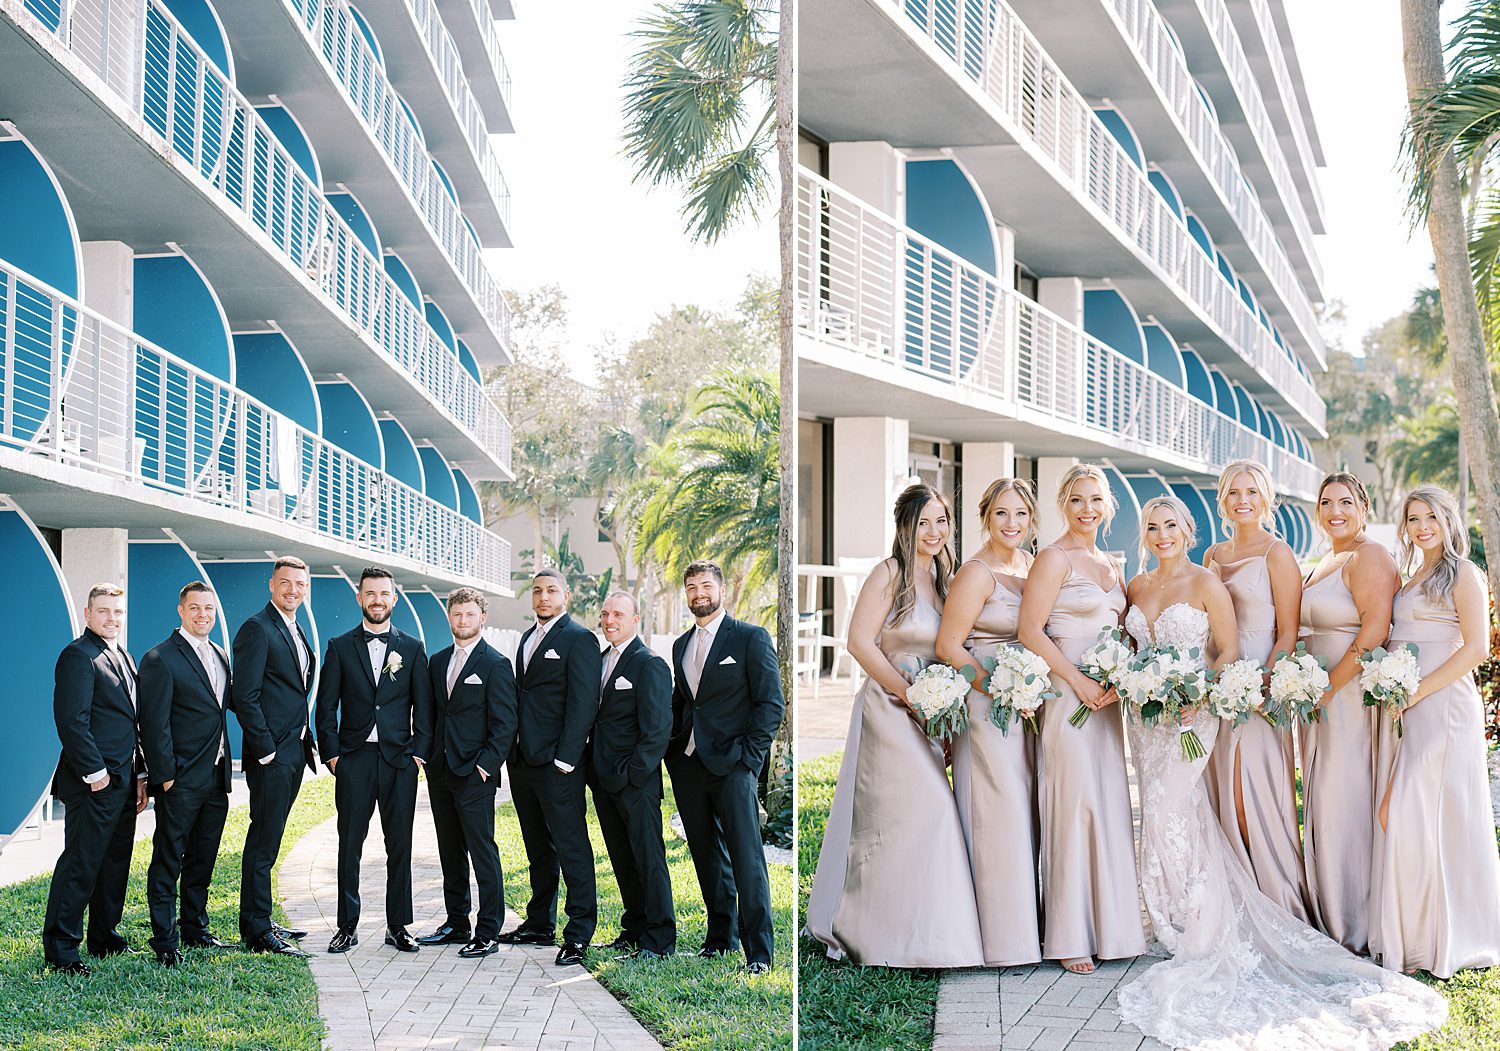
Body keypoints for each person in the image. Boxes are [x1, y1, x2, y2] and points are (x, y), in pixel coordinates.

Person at [1114, 497, 1447, 1049]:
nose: (1161, 533)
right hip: (1147, 722)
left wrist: (1192, 692)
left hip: (1194, 714)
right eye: (1152, 526)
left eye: (1171, 524)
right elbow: (1131, 645)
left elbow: (1226, 648)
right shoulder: (1137, 586)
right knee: (1168, 811)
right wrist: (1134, 680)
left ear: (1188, 529)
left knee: (1176, 807)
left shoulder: (1211, 581)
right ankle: (1168, 911)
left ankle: (1199, 919)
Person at [808, 484, 983, 967]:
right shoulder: (889, 574)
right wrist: (908, 694)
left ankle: (929, 932)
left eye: (942, 521)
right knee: (915, 814)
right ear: (905, 526)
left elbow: (952, 647)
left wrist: (950, 701)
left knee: (918, 819)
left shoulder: (948, 577)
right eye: (924, 522)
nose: (934, 531)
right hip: (890, 709)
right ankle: (877, 931)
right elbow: (859, 643)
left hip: (935, 710)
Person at [1017, 464, 1145, 974]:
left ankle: (1111, 928)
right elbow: (1031, 631)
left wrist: (1123, 676)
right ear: (1062, 506)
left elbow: (1125, 632)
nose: (1086, 509)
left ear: (1108, 506)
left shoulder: (1112, 565)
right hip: (1068, 695)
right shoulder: (1052, 558)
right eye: (1076, 500)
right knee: (1072, 804)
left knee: (1108, 803)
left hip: (1106, 701)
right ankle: (1068, 935)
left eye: (1095, 500)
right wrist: (1079, 681)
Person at [1369, 485, 1500, 977]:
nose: (1422, 526)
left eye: (1431, 517)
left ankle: (1448, 936)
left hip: (1443, 704)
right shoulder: (1411, 577)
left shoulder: (1464, 573)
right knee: (1411, 813)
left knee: (1416, 810)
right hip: (1409, 704)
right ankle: (1415, 932)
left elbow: (1476, 649)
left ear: (1449, 521)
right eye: (1413, 518)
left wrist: (1418, 691)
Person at [936, 477, 1042, 967]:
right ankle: (1000, 938)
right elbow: (949, 646)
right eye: (1002, 513)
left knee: (1026, 811)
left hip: (1028, 704)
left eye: (1021, 513)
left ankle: (1029, 926)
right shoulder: (976, 573)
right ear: (985, 517)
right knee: (997, 814)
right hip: (988, 706)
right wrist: (998, 689)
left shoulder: (1030, 565)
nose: (1012, 523)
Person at [1202, 460, 1311, 920]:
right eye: (1232, 492)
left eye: (1251, 492)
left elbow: (1288, 632)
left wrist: (1260, 688)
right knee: (1221, 791)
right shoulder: (1212, 555)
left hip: (1258, 691)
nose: (1242, 500)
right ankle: (1234, 905)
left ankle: (1273, 903)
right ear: (1222, 500)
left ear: (1267, 499)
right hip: (1215, 684)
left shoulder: (1277, 554)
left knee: (1253, 798)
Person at [665, 559, 784, 974]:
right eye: (692, 586)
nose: (699, 593)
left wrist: (749, 761)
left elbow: (771, 704)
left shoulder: (750, 638)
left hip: (734, 766)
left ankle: (759, 953)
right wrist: (672, 751)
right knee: (706, 855)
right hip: (690, 765)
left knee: (746, 856)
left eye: (706, 586)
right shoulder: (681, 645)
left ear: (722, 589)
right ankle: (720, 939)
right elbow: (683, 702)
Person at [1299, 472, 1397, 955]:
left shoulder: (1369, 555)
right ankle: (1329, 913)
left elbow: (1375, 630)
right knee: (1324, 798)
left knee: (1346, 796)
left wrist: (1327, 688)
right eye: (1325, 502)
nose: (1334, 510)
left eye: (1344, 501)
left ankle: (1352, 924)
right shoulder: (1326, 560)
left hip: (1348, 696)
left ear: (1363, 504)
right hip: (1319, 697)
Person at [315, 567, 433, 954]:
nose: (377, 600)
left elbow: (425, 707)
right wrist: (332, 755)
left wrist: (418, 753)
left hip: (399, 761)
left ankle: (398, 926)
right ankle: (346, 926)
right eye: (370, 594)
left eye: (384, 594)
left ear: (394, 599)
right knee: (350, 844)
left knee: (399, 845)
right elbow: (325, 706)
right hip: (355, 760)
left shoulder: (413, 649)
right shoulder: (339, 646)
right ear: (359, 598)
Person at [41, 583, 148, 975]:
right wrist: (96, 773)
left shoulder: (122, 654)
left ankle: (105, 937)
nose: (111, 618)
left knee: (115, 862)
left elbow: (130, 722)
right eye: (103, 611)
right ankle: (62, 948)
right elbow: (72, 721)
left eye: (117, 612)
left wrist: (140, 774)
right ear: (88, 614)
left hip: (125, 781)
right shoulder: (77, 656)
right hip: (94, 782)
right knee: (81, 863)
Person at [502, 568, 601, 966]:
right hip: (524, 762)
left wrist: (566, 758)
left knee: (572, 846)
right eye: (538, 591)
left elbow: (583, 704)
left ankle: (579, 932)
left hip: (558, 764)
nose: (543, 597)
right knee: (537, 848)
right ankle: (539, 922)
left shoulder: (580, 639)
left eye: (552, 591)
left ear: (567, 596)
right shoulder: (527, 638)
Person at [418, 587, 517, 959]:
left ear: (482, 618)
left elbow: (505, 724)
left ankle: (488, 930)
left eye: (470, 615)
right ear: (449, 617)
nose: (463, 621)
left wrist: (484, 767)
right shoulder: (437, 661)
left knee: (482, 851)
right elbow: (430, 715)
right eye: (457, 614)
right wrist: (426, 757)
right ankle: (456, 923)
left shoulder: (496, 664)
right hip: (441, 772)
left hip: (475, 775)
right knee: (449, 851)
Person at [138, 581, 234, 966]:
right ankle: (164, 939)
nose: (202, 615)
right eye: (195, 608)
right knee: (168, 858)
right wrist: (165, 776)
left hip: (216, 777)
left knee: (203, 857)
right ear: (181, 610)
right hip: (179, 779)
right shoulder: (159, 658)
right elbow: (153, 722)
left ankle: (195, 928)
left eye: (208, 609)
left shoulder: (220, 654)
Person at [231, 555, 317, 958]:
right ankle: (256, 929)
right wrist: (265, 750)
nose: (293, 590)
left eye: (300, 584)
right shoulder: (257, 628)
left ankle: (260, 916)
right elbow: (243, 696)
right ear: (271, 584)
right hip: (272, 755)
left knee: (272, 838)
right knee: (263, 841)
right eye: (286, 583)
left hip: (294, 750)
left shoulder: (295, 629)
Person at [588, 591, 676, 959]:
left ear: (635, 619)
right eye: (606, 614)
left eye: (618, 614)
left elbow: (658, 729)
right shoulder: (601, 660)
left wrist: (634, 774)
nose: (610, 620)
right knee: (622, 858)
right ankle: (635, 928)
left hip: (634, 783)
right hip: (603, 782)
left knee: (649, 859)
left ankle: (660, 938)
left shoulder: (649, 663)